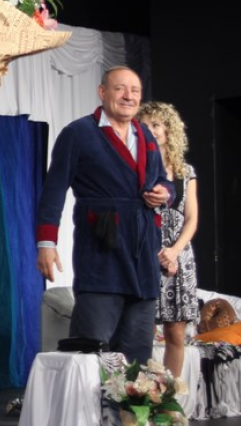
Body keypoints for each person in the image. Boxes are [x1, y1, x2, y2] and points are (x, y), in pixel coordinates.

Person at [35, 66, 174, 366]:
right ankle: (87, 400)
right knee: (91, 352)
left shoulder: (145, 135)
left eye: (135, 91)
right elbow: (53, 190)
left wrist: (165, 192)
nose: (128, 96)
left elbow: (164, 180)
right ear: (102, 92)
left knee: (137, 357)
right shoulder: (79, 133)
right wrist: (46, 243)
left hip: (143, 256)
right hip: (102, 251)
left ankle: (132, 399)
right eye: (120, 88)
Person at [138, 101, 199, 378]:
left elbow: (191, 219)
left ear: (168, 130)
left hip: (179, 256)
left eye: (156, 124)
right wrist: (154, 251)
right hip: (145, 253)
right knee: (142, 330)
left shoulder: (186, 172)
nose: (151, 130)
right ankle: (138, 394)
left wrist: (174, 251)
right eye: (145, 125)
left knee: (175, 334)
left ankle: (167, 396)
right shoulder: (137, 168)